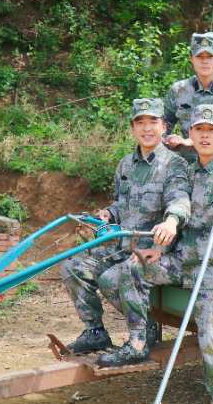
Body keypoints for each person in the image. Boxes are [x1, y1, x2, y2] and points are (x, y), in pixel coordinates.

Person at [108, 104, 213, 404]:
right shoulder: (188, 171)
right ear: (191, 134)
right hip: (185, 261)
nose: (205, 135)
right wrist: (162, 247)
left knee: (211, 342)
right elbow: (181, 213)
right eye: (199, 129)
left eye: (212, 130)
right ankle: (139, 339)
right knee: (130, 268)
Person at [60, 98, 191, 355]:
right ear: (132, 128)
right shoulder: (126, 164)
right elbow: (122, 204)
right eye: (140, 122)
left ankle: (143, 333)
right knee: (72, 265)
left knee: (113, 278)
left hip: (155, 250)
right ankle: (95, 331)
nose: (147, 128)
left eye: (153, 121)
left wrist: (172, 221)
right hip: (123, 244)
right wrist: (108, 213)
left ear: (164, 126)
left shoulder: (174, 164)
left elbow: (180, 200)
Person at [163, 32, 213, 155]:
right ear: (191, 58)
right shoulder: (178, 90)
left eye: (210, 56)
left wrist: (191, 141)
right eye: (200, 56)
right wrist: (170, 139)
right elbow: (162, 127)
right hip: (184, 163)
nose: (204, 61)